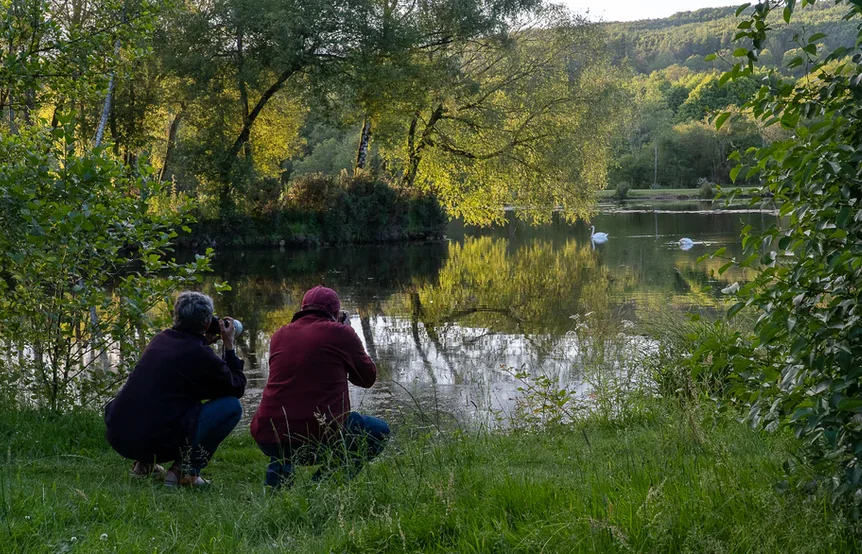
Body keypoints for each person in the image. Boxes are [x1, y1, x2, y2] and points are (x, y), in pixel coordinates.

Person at [251, 286, 389, 488]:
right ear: (335, 312)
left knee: (287, 425)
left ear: (302, 309)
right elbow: (366, 379)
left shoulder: (279, 335)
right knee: (378, 431)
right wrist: (347, 332)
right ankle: (321, 486)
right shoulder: (341, 333)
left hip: (268, 434)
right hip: (319, 435)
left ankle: (277, 484)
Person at [104, 291, 246, 487]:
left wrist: (203, 341)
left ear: (176, 317)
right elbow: (236, 387)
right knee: (231, 407)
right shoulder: (199, 354)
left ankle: (143, 464)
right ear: (206, 323)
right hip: (157, 441)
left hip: (119, 436)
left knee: (158, 397)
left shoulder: (160, 340)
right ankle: (185, 471)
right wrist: (229, 345)